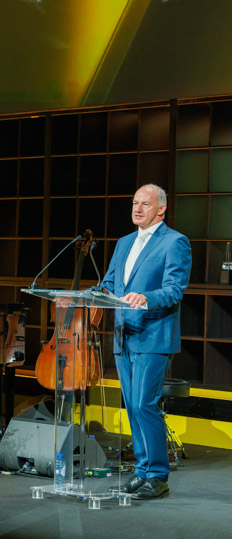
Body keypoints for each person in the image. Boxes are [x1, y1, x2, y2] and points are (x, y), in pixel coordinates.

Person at [100, 183, 191, 500]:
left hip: (153, 335)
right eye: (134, 203)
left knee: (144, 404)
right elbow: (109, 283)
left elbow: (174, 289)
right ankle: (141, 472)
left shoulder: (175, 242)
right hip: (123, 336)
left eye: (145, 204)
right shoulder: (124, 242)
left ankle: (158, 476)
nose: (137, 209)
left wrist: (146, 297)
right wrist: (85, 297)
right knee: (132, 407)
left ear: (161, 209)